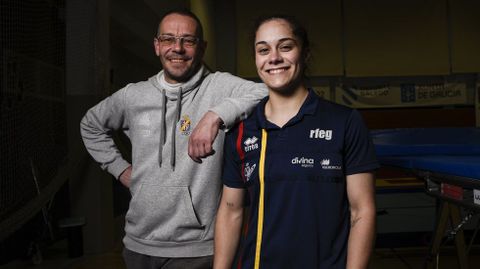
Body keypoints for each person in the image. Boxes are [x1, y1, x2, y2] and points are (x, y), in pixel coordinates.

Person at [80, 9, 266, 269]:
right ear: (157, 46)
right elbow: (91, 125)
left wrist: (215, 115)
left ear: (202, 47)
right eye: (168, 39)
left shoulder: (219, 86)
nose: (177, 48)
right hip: (138, 243)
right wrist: (121, 170)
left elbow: (267, 90)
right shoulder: (133, 96)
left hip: (197, 248)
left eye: (188, 41)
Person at [214, 15, 380, 269]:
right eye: (263, 50)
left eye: (286, 46)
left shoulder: (344, 122)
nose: (274, 58)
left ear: (305, 53)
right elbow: (231, 210)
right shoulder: (241, 131)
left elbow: (362, 212)